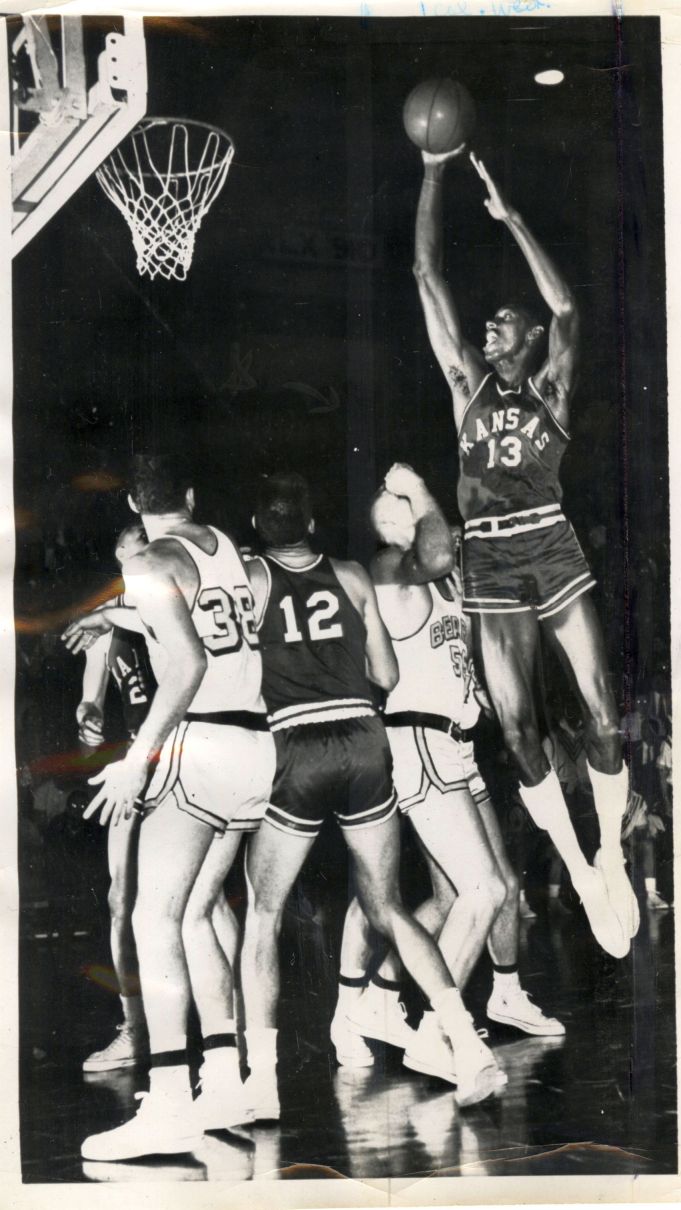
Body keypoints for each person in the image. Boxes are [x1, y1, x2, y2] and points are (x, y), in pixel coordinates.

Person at [411, 145, 638, 958]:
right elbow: (426, 277)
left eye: (504, 321)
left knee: (604, 712)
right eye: (489, 324)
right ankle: (578, 868)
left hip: (549, 542)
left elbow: (569, 308)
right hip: (490, 561)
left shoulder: (551, 388)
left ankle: (609, 848)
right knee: (515, 731)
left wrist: (510, 220)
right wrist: (434, 170)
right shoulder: (466, 387)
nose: (488, 327)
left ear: (531, 336)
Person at [237, 472, 505, 1115]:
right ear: (312, 524)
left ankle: (262, 1085)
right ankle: (466, 1047)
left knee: (264, 915)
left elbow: (238, 670)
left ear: (257, 528)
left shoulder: (250, 579)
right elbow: (386, 673)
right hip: (364, 739)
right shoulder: (356, 575)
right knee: (388, 906)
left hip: (296, 744)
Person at [65, 453, 276, 1162]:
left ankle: (171, 1101)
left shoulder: (150, 560)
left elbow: (185, 665)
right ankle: (224, 1082)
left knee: (154, 917)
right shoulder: (224, 549)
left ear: (133, 503)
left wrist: (136, 758)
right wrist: (112, 613)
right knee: (196, 915)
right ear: (187, 493)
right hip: (256, 744)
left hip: (203, 741)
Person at [333, 464, 564, 1085]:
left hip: (454, 743)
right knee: (484, 891)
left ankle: (377, 997)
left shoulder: (438, 581)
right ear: (398, 522)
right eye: (410, 507)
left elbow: (455, 623)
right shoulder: (391, 567)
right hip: (419, 741)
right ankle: (440, 1033)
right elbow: (437, 550)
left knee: (461, 896)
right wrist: (420, 487)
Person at [74, 524, 154, 1072]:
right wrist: (89, 713)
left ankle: (234, 1036)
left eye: (141, 556)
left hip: (187, 755)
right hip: (135, 763)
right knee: (120, 900)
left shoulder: (178, 601)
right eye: (125, 561)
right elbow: (92, 689)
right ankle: (134, 1029)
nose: (134, 569)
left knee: (203, 904)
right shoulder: (112, 617)